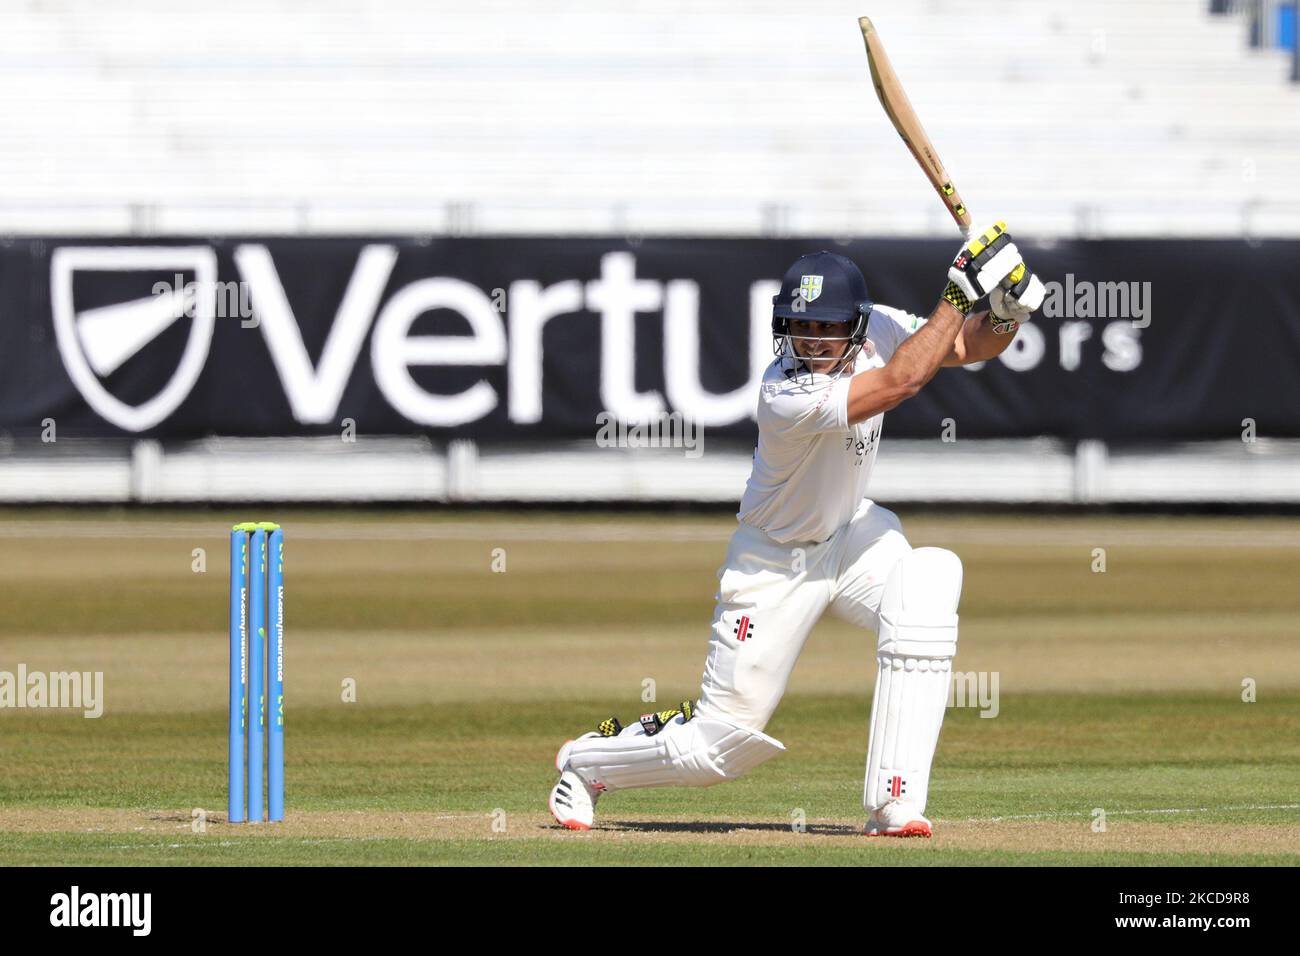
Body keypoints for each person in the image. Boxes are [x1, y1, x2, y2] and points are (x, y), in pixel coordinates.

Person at [548, 223, 1045, 836]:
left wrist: (1006, 312)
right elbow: (902, 381)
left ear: (856, 323)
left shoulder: (880, 327)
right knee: (717, 748)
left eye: (826, 326)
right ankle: (588, 761)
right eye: (801, 326)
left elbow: (962, 348)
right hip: (772, 565)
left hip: (852, 537)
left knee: (929, 581)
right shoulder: (785, 392)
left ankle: (895, 802)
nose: (812, 340)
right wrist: (961, 292)